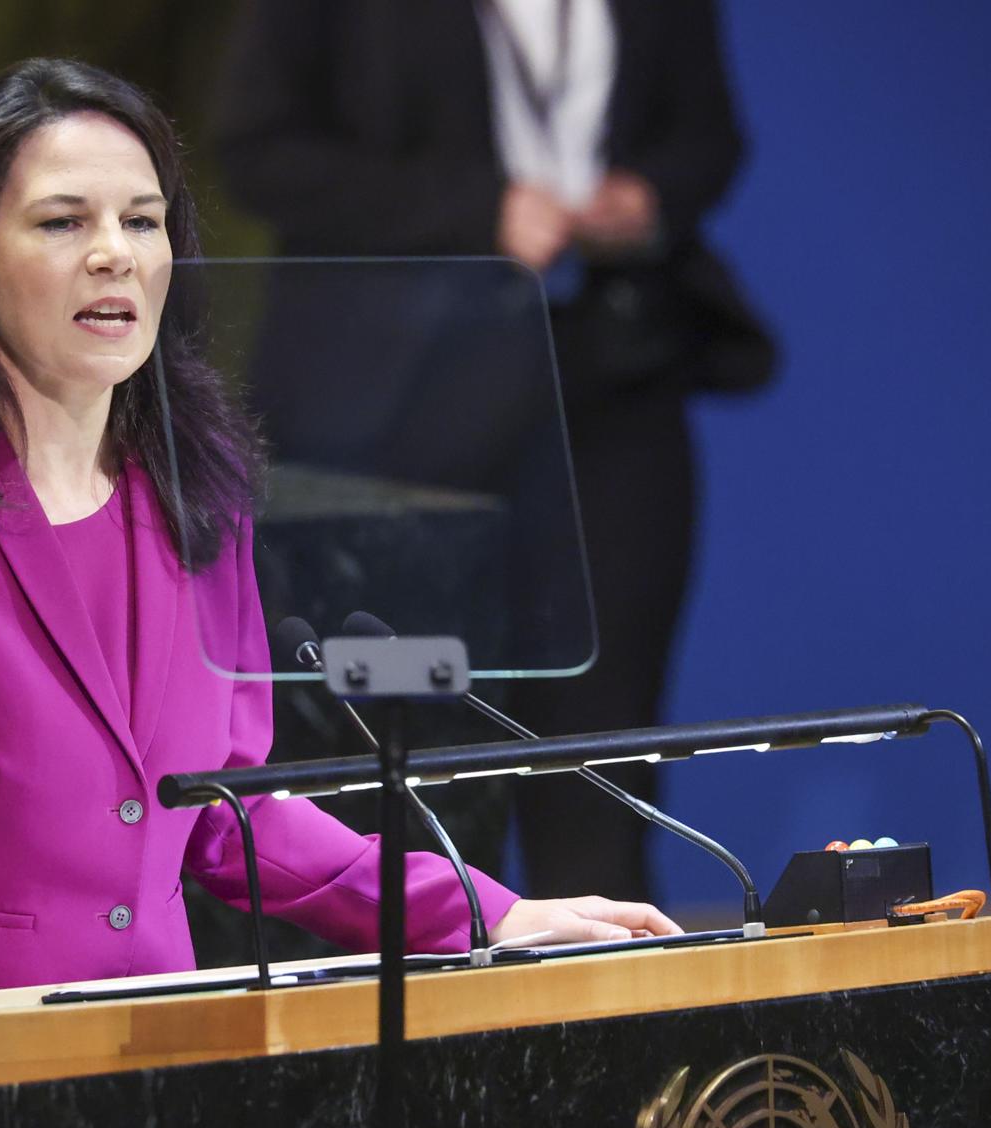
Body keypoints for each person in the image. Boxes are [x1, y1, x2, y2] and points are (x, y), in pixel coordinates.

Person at [0, 58, 680, 1037]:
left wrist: (486, 911)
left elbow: (229, 810)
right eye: (62, 221)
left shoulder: (198, 500)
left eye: (142, 220)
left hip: (166, 1070)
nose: (114, 255)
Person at [212, 0, 775, 904]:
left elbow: (708, 137)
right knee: (393, 744)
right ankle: (405, 1011)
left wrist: (648, 198)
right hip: (396, 401)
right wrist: (477, 209)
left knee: (605, 741)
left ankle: (600, 1022)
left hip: (607, 369)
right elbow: (259, 150)